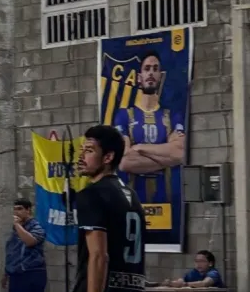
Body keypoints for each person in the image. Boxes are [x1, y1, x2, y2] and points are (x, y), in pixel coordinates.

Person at [73, 125, 146, 292]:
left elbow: (99, 256)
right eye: (81, 150)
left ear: (108, 157)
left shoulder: (91, 194)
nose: (81, 156)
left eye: (89, 151)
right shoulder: (133, 196)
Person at [114, 51, 186, 204]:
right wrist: (168, 159)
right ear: (139, 77)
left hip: (166, 202)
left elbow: (180, 153)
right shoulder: (124, 115)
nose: (151, 73)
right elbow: (124, 162)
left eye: (155, 69)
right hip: (133, 203)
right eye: (147, 69)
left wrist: (139, 148)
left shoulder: (172, 115)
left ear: (160, 76)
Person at [2, 199, 47, 292]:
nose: (16, 212)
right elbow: (12, 252)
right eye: (15, 209)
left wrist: (17, 225)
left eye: (20, 209)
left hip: (32, 272)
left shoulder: (36, 227)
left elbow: (30, 241)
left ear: (28, 210)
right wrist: (6, 273)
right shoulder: (16, 231)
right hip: (16, 274)